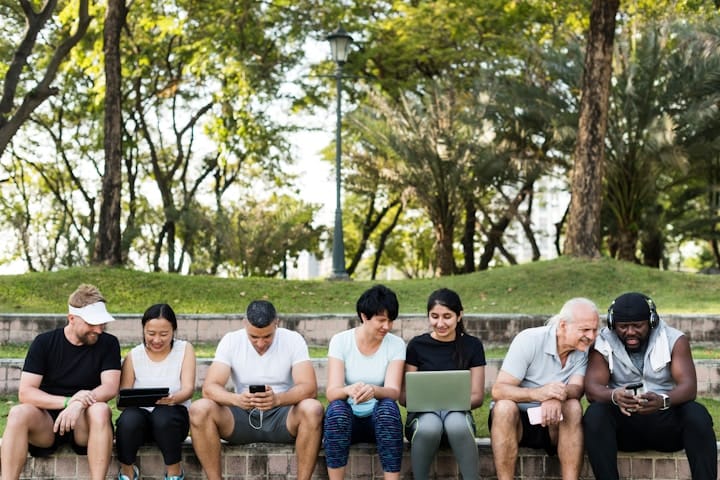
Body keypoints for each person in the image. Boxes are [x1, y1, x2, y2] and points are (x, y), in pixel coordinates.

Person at [583, 292, 717, 479]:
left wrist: (663, 400)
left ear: (652, 321)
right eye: (622, 327)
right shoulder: (603, 341)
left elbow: (688, 387)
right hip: (625, 424)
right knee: (595, 414)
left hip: (665, 423)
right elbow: (592, 388)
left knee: (697, 414)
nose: (630, 332)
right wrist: (615, 395)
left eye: (638, 326)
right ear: (613, 324)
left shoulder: (674, 339)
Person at [188, 300, 323, 480]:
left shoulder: (293, 339)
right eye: (254, 337)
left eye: (267, 336)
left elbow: (309, 388)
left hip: (283, 417)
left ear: (277, 323)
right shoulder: (231, 340)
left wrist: (277, 399)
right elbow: (210, 388)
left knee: (312, 408)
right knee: (199, 409)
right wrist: (236, 399)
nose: (260, 343)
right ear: (245, 324)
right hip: (241, 416)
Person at [0, 284, 121, 480]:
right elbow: (26, 393)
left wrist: (79, 404)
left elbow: (110, 387)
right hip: (47, 422)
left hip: (85, 421)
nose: (99, 329)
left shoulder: (109, 343)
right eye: (92, 323)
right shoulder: (44, 342)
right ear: (71, 318)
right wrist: (68, 402)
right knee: (17, 413)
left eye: (102, 323)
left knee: (101, 410)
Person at [488, 297, 599, 480]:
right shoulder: (529, 340)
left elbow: (577, 389)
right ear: (563, 325)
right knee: (504, 407)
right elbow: (499, 390)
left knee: (573, 407)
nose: (592, 336)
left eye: (595, 329)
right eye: (585, 330)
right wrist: (538, 394)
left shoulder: (584, 347)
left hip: (554, 422)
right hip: (519, 423)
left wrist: (556, 395)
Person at [401, 288, 486, 480]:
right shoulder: (416, 345)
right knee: (430, 426)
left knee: (456, 423)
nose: (440, 323)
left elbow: (477, 396)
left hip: (458, 414)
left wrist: (449, 406)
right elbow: (404, 396)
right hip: (422, 417)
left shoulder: (472, 346)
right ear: (428, 316)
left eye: (447, 316)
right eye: (434, 316)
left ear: (459, 316)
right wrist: (424, 403)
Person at [323, 284, 405, 480]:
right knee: (336, 410)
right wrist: (348, 390)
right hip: (347, 421)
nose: (387, 326)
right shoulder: (340, 341)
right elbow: (332, 392)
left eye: (390, 321)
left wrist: (374, 390)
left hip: (378, 422)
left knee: (388, 408)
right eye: (381, 320)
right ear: (364, 316)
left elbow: (393, 391)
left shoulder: (396, 345)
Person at [114, 303, 196, 480]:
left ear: (174, 331)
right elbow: (123, 400)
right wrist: (135, 401)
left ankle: (174, 472)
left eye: (164, 334)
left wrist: (173, 399)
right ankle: (127, 472)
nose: (157, 340)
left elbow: (188, 389)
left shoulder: (185, 349)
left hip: (172, 420)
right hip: (141, 423)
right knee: (128, 420)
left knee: (163, 415)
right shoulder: (133, 355)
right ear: (143, 330)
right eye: (151, 334)